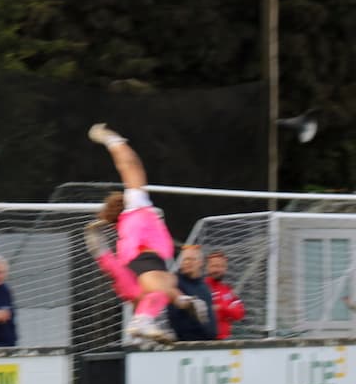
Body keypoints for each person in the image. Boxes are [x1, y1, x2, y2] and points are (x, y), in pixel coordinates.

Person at [84, 123, 210, 344]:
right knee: (165, 283)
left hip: (131, 272)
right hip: (144, 259)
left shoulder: (125, 227)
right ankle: (150, 317)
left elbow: (113, 267)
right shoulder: (136, 206)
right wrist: (114, 141)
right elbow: (129, 165)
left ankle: (158, 313)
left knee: (158, 290)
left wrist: (97, 244)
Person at [167, 245, 217, 341]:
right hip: (184, 343)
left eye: (191, 259)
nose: (186, 262)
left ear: (200, 262)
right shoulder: (174, 281)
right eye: (184, 260)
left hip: (207, 342)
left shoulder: (205, 287)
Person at [205, 250, 245, 340]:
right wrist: (228, 309)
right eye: (214, 266)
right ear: (207, 267)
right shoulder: (201, 287)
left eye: (221, 266)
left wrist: (221, 307)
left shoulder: (227, 290)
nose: (217, 270)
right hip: (205, 340)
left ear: (225, 268)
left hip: (224, 340)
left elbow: (239, 313)